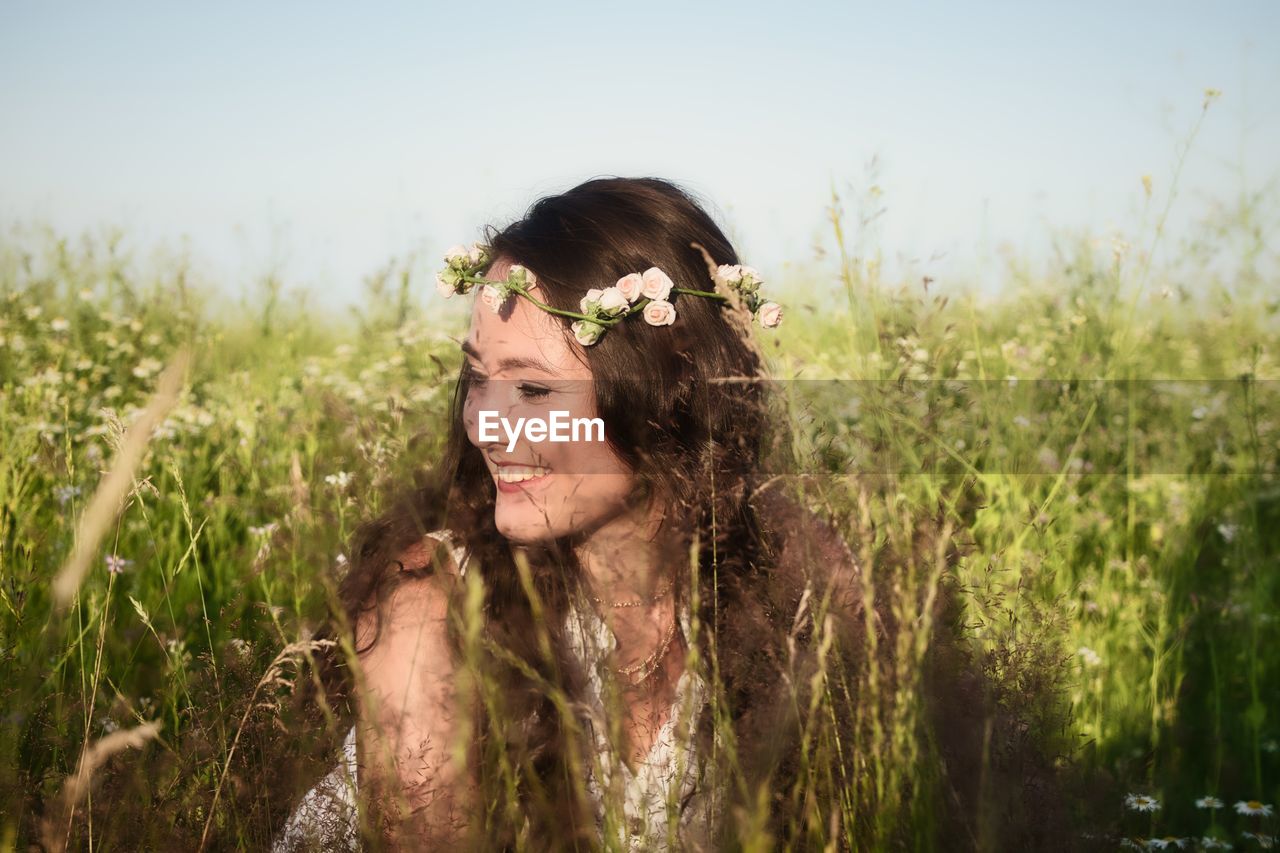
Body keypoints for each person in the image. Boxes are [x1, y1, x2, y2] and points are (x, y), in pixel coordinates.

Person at [274, 177, 1074, 851]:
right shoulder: (432, 603)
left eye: (535, 388)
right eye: (480, 376)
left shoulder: (793, 584)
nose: (486, 421)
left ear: (665, 392)